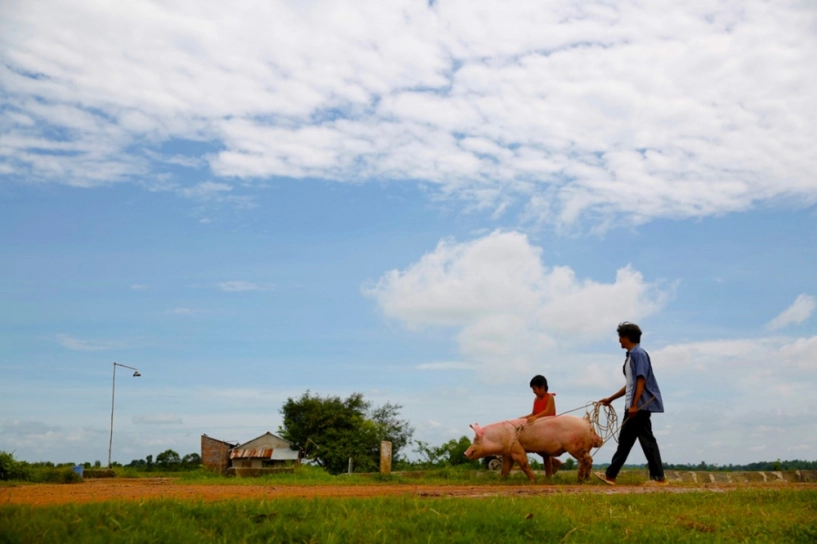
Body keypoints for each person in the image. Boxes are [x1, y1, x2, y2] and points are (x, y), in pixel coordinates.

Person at [595, 322, 668, 486]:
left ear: (627, 337)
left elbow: (641, 380)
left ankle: (612, 475)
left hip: (639, 407)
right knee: (636, 441)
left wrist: (634, 405)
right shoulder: (630, 356)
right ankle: (656, 478)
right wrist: (611, 398)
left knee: (633, 440)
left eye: (620, 337)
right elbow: (630, 384)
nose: (619, 340)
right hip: (634, 406)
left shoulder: (638, 354)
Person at [522, 374, 563, 477]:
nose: (533, 391)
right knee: (541, 451)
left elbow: (548, 411)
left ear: (542, 387)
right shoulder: (536, 400)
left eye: (535, 388)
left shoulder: (549, 397)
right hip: (540, 429)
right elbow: (533, 413)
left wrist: (535, 418)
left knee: (544, 452)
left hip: (549, 427)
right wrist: (522, 419)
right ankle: (553, 465)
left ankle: (549, 474)